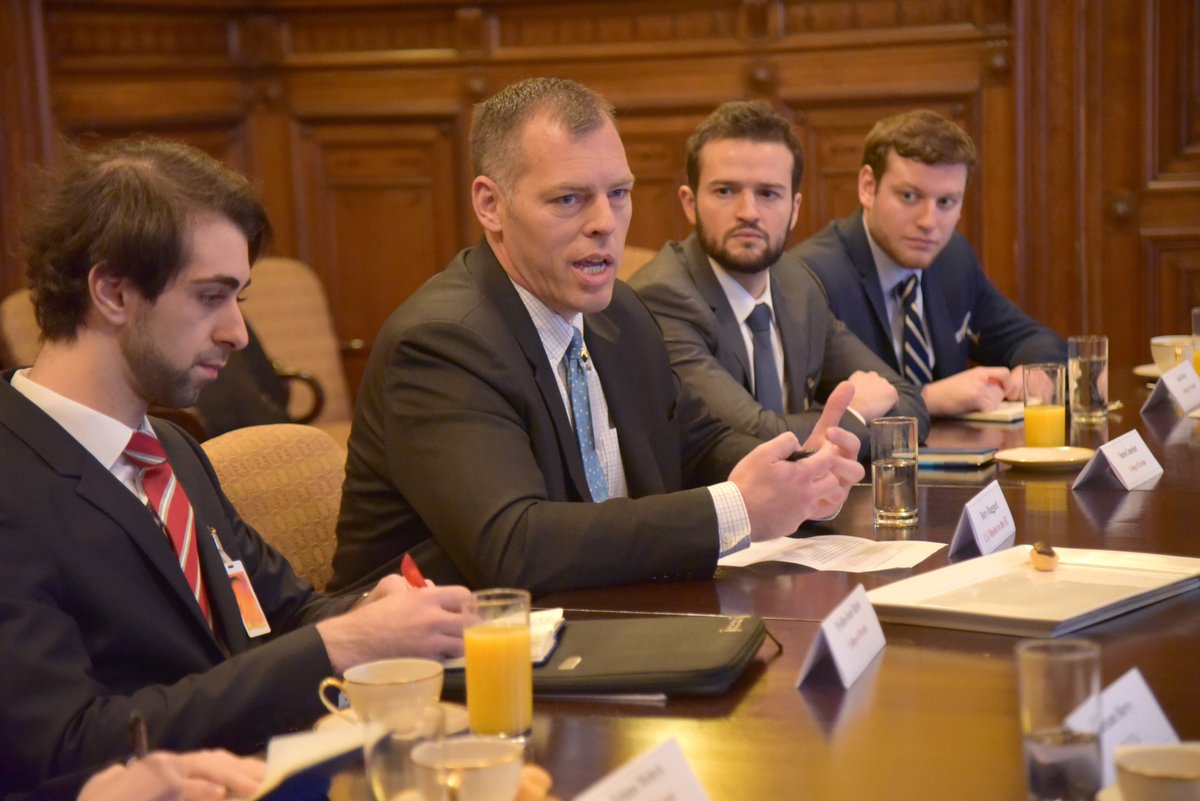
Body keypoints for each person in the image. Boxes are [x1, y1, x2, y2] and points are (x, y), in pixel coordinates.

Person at [0, 138, 469, 799]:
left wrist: (371, 612)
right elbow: (66, 748)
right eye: (211, 296)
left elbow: (282, 613)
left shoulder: (169, 448)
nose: (238, 333)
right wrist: (337, 644)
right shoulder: (13, 481)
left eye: (238, 297)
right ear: (111, 290)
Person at [330, 78, 864, 598]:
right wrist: (736, 509)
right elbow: (515, 545)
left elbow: (695, 442)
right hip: (432, 653)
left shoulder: (620, 313)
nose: (605, 222)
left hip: (596, 617)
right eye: (568, 199)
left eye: (618, 193)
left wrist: (800, 473)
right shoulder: (442, 343)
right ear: (491, 205)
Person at [630, 101, 928, 461]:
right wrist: (855, 414)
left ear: (794, 209)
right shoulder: (662, 298)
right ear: (690, 203)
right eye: (725, 191)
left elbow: (908, 405)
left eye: (768, 193)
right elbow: (757, 441)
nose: (748, 212)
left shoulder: (796, 283)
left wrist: (830, 435)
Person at [793, 109, 1066, 417]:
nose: (928, 222)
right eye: (909, 196)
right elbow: (802, 413)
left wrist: (1035, 374)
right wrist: (927, 398)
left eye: (946, 202)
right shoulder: (811, 275)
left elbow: (1032, 340)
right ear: (868, 187)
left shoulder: (952, 257)